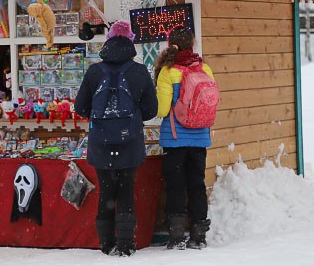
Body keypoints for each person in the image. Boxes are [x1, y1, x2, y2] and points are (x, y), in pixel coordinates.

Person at [74, 20, 158, 257]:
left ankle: (105, 242)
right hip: (129, 140)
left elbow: (80, 107)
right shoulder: (139, 71)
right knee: (126, 190)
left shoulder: (94, 71)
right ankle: (125, 243)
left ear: (108, 41)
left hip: (101, 142)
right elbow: (152, 109)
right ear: (130, 41)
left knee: (106, 190)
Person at [154, 26, 215, 250]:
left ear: (171, 45)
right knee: (197, 185)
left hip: (175, 138)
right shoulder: (205, 68)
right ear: (193, 43)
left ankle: (177, 236)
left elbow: (161, 110)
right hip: (200, 137)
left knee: (176, 186)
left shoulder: (168, 71)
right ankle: (199, 236)